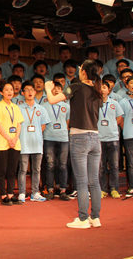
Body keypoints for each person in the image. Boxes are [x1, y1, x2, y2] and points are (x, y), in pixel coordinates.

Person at [45, 60, 103, 229]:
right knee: (94, 181)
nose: (78, 70)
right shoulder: (97, 90)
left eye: (80, 68)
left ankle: (83, 219)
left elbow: (52, 100)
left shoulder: (76, 86)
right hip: (95, 137)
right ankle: (95, 217)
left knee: (82, 181)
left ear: (83, 72)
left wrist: (48, 88)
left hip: (80, 137)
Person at [17, 81, 50, 203]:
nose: (30, 92)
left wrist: (35, 134)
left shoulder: (41, 109)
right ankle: (22, 193)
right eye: (27, 90)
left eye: (32, 90)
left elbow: (43, 126)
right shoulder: (19, 108)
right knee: (23, 169)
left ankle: (35, 192)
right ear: (22, 93)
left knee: (37, 169)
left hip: (37, 143)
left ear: (35, 92)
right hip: (23, 142)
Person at [0, 82, 23, 205]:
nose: (10, 92)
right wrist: (8, 139)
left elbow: (19, 124)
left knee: (12, 170)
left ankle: (11, 193)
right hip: (2, 142)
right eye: (6, 90)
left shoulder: (16, 107)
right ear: (1, 92)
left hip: (15, 142)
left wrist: (15, 138)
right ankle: (3, 194)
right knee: (2, 170)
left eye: (11, 89)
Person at [42, 81, 70, 201]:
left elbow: (68, 122)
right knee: (50, 165)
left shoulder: (66, 106)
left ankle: (63, 190)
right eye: (54, 88)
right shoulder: (44, 106)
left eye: (59, 88)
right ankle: (50, 190)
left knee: (63, 165)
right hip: (49, 138)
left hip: (63, 138)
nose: (57, 90)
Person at [97, 81, 124, 199]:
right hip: (99, 138)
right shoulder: (94, 103)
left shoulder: (114, 103)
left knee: (114, 166)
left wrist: (112, 125)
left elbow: (120, 117)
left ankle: (114, 189)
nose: (102, 90)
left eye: (104, 87)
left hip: (113, 138)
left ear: (109, 90)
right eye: (100, 88)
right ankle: (102, 189)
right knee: (101, 166)